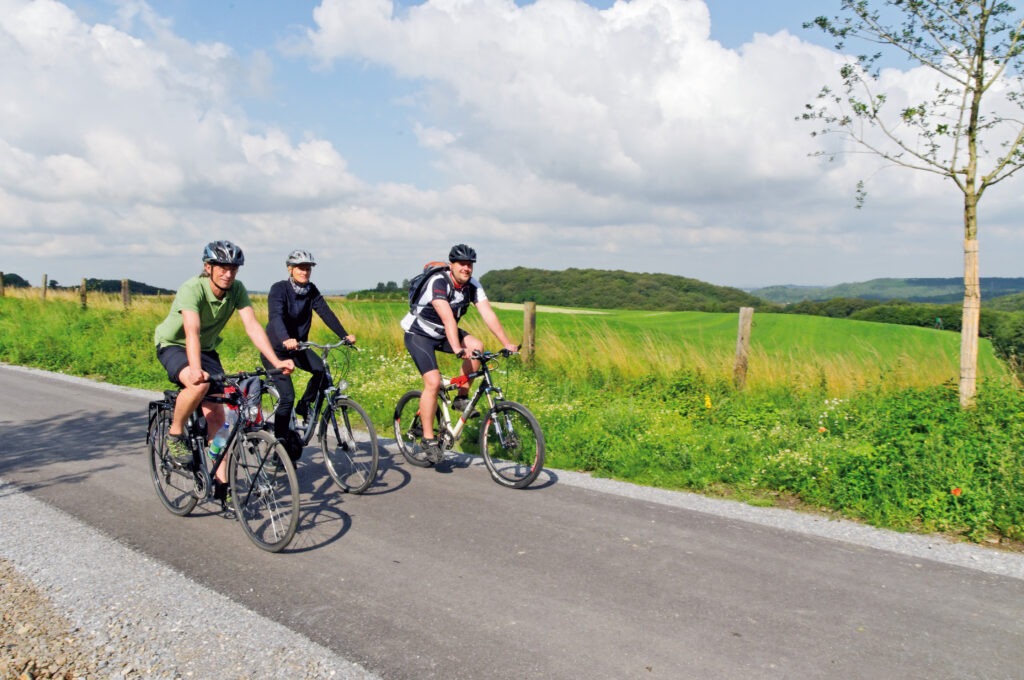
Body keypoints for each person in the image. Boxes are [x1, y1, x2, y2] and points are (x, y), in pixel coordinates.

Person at [154, 240, 294, 500]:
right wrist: (195, 369)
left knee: (218, 421)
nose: (228, 274)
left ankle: (222, 487)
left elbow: (252, 326)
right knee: (198, 385)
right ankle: (175, 435)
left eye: (233, 268)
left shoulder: (237, 290)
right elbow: (191, 331)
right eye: (222, 268)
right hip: (174, 345)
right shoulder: (192, 289)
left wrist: (276, 361)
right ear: (208, 267)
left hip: (206, 350)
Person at [401, 243, 519, 463]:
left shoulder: (473, 286)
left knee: (478, 347)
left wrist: (506, 342)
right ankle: (428, 439)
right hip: (420, 334)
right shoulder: (438, 282)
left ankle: (461, 398)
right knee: (433, 383)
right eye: (462, 264)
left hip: (445, 333)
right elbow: (447, 318)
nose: (466, 268)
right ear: (451, 265)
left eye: (470, 264)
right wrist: (456, 348)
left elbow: (488, 314)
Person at [262, 249, 355, 457]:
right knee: (287, 397)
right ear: (290, 269)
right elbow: (275, 316)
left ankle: (304, 405)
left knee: (322, 371)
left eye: (308, 268)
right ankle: (280, 447)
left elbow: (325, 312)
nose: (305, 272)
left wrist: (344, 335)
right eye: (301, 268)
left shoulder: (311, 290)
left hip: (299, 348)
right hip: (275, 351)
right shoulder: (279, 289)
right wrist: (286, 338)